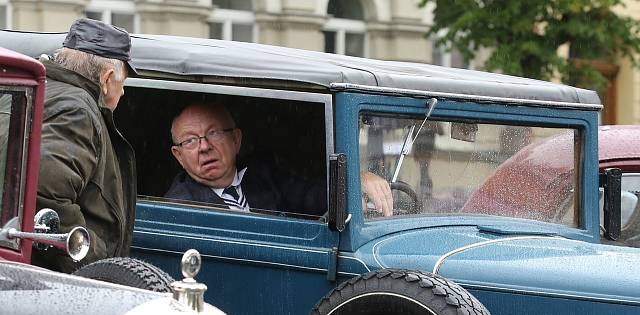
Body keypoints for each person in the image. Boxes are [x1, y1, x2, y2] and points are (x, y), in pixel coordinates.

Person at [30, 18, 138, 273]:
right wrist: (97, 264)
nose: (122, 93)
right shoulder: (76, 111)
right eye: (122, 84)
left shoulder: (36, 93)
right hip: (54, 281)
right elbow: (44, 199)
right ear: (107, 78)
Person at [164, 103, 393, 217]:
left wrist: (356, 180)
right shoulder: (180, 206)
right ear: (179, 156)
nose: (204, 147)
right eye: (191, 141)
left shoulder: (261, 172)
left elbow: (314, 197)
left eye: (214, 133)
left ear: (236, 139)